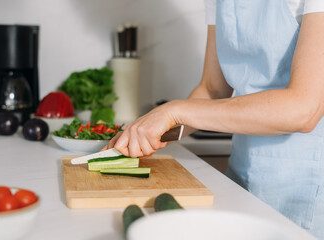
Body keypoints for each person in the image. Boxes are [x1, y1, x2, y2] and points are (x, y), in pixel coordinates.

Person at [103, 0, 324, 238]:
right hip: (241, 178)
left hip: (305, 188)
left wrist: (174, 111)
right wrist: (150, 128)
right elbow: (212, 88)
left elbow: (304, 109)